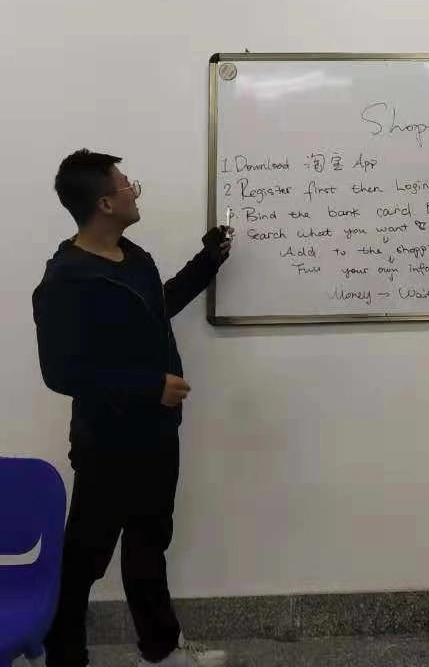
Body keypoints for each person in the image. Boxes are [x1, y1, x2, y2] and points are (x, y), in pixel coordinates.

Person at [33, 150, 233, 667]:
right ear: (104, 203)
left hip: (157, 435)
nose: (134, 192)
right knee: (86, 558)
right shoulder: (66, 280)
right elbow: (62, 373)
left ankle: (160, 651)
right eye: (127, 186)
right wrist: (149, 387)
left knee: (149, 545)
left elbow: (157, 308)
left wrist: (207, 261)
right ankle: (65, 657)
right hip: (107, 443)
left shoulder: (134, 257)